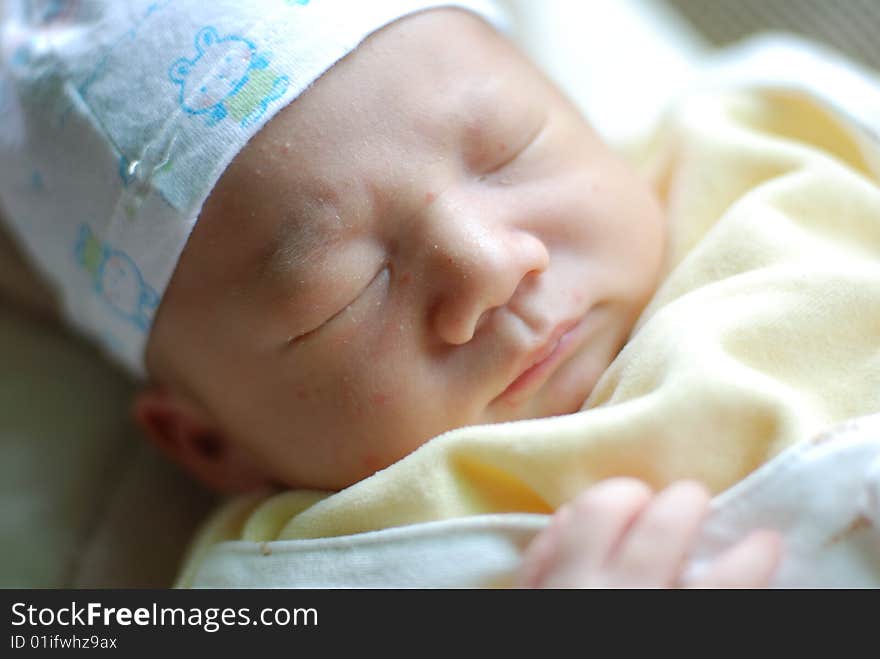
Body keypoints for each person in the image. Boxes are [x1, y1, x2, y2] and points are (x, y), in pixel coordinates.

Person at [4, 0, 879, 588]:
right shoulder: (301, 573)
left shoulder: (776, 144)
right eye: (336, 293)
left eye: (508, 149)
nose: (486, 263)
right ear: (208, 440)